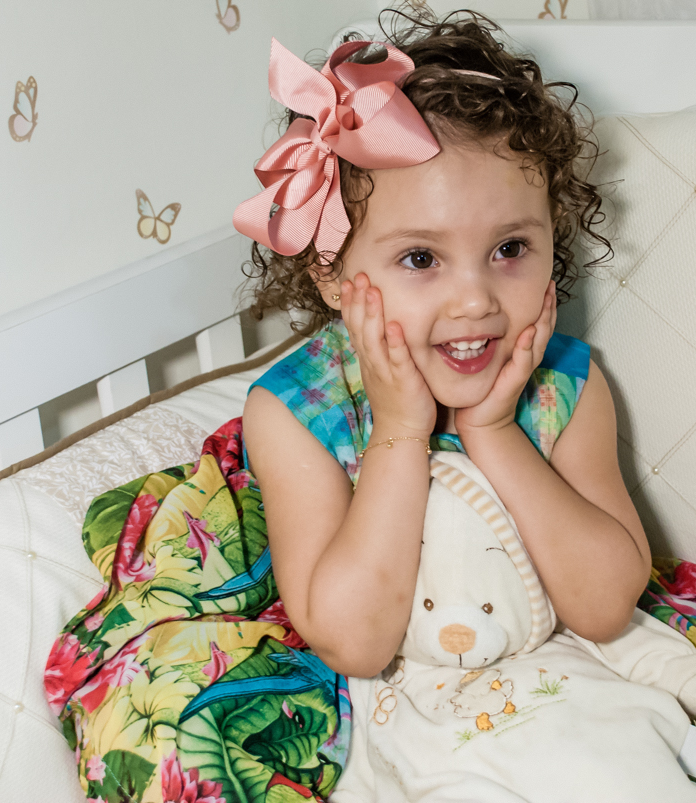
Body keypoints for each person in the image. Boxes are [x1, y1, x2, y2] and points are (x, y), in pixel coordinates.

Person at [239, 6, 651, 681]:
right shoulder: (294, 413)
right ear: (331, 272)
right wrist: (400, 429)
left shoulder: (565, 388)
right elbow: (356, 645)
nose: (475, 301)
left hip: (550, 676)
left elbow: (606, 607)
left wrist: (492, 428)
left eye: (510, 248)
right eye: (422, 260)